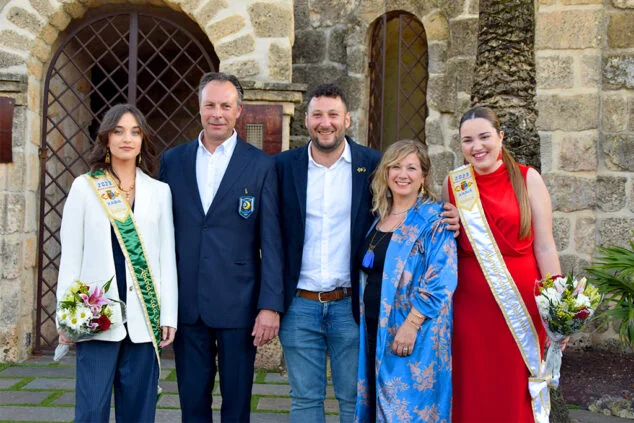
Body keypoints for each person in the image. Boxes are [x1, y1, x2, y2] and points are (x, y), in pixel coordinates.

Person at [159, 72, 284, 422]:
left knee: (237, 403)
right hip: (189, 303)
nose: (217, 113)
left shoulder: (260, 164)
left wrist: (270, 305)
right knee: (192, 402)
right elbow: (163, 234)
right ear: (199, 109)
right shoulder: (173, 161)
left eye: (225, 106)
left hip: (240, 304)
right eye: (210, 105)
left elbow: (271, 240)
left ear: (239, 111)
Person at [56, 104, 178, 422]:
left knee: (139, 412)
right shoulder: (84, 187)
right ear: (106, 138)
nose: (127, 138)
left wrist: (169, 314)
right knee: (91, 410)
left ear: (143, 140)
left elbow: (167, 259)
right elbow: (71, 256)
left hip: (143, 317)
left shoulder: (159, 192)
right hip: (95, 314)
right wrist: (65, 315)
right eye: (119, 131)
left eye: (135, 132)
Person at [444, 106, 561, 423]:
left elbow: (546, 245)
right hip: (471, 308)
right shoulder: (455, 184)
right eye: (467, 140)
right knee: (473, 385)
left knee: (514, 387)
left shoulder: (527, 178)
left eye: (484, 137)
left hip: (521, 305)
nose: (476, 146)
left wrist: (559, 304)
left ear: (501, 137)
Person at [276, 83, 382, 422]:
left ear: (347, 119)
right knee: (305, 400)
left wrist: (444, 215)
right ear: (306, 121)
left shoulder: (373, 164)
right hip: (299, 305)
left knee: (354, 400)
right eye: (318, 115)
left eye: (333, 114)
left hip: (351, 305)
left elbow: (404, 210)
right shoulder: (282, 167)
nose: (326, 123)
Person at [354, 140, 457, 422]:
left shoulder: (435, 219)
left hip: (413, 334)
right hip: (376, 328)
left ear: (423, 176)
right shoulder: (380, 217)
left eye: (411, 168)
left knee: (406, 410)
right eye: (396, 166)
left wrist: (411, 325)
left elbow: (442, 279)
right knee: (379, 405)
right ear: (385, 172)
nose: (403, 174)